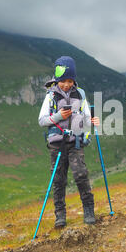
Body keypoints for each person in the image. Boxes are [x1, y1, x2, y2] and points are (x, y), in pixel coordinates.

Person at [38, 56, 100, 228]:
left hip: (76, 141)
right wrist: (59, 116)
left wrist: (92, 124)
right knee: (58, 179)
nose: (66, 84)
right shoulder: (50, 96)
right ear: (57, 79)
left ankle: (89, 209)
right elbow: (42, 120)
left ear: (74, 79)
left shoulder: (80, 94)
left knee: (81, 174)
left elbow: (87, 118)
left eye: (70, 80)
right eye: (63, 80)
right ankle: (60, 215)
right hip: (57, 143)